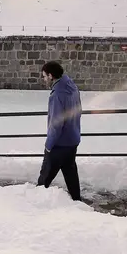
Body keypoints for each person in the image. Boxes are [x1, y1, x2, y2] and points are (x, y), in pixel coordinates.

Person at [37, 61, 82, 201]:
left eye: (44, 76)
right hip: (73, 139)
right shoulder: (72, 87)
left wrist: (48, 145)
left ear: (51, 75)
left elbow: (56, 123)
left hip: (59, 143)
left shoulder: (57, 94)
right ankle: (77, 200)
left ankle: (34, 202)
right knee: (70, 173)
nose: (44, 79)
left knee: (45, 176)